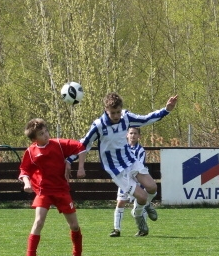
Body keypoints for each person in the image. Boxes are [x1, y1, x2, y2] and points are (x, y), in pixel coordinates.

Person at [72, 92, 177, 221]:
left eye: (118, 112)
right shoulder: (99, 125)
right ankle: (139, 215)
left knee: (152, 187)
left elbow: (145, 119)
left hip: (130, 160)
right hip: (116, 169)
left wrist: (166, 110)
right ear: (106, 110)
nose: (116, 116)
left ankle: (139, 210)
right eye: (113, 113)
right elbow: (83, 144)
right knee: (142, 196)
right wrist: (76, 164)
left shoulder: (126, 117)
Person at [19, 118, 86, 256]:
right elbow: (24, 170)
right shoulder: (30, 152)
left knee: (74, 226)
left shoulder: (59, 144)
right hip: (44, 191)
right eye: (42, 134)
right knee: (38, 221)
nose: (46, 135)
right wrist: (26, 183)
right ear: (34, 139)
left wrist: (81, 167)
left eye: (46, 131)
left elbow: (81, 147)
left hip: (62, 190)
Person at [109, 126, 158, 237]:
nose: (133, 135)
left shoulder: (140, 150)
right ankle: (116, 229)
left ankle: (142, 229)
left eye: (135, 133)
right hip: (124, 179)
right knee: (120, 202)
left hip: (136, 179)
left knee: (141, 201)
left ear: (139, 136)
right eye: (131, 133)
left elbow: (138, 167)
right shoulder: (121, 148)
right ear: (127, 135)